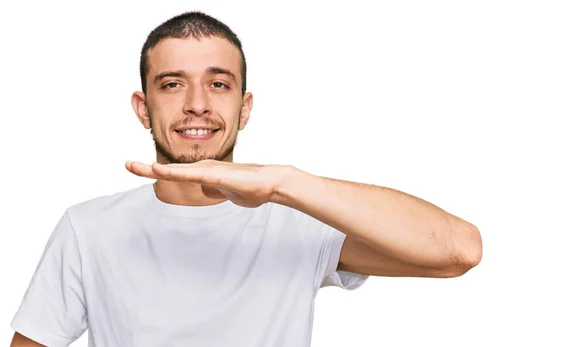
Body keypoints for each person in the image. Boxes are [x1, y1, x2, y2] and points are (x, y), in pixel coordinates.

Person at [9, 10, 482, 347]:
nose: (197, 103)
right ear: (143, 108)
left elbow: (459, 251)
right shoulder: (88, 228)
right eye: (173, 84)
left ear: (245, 107)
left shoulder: (296, 217)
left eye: (218, 84)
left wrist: (282, 185)